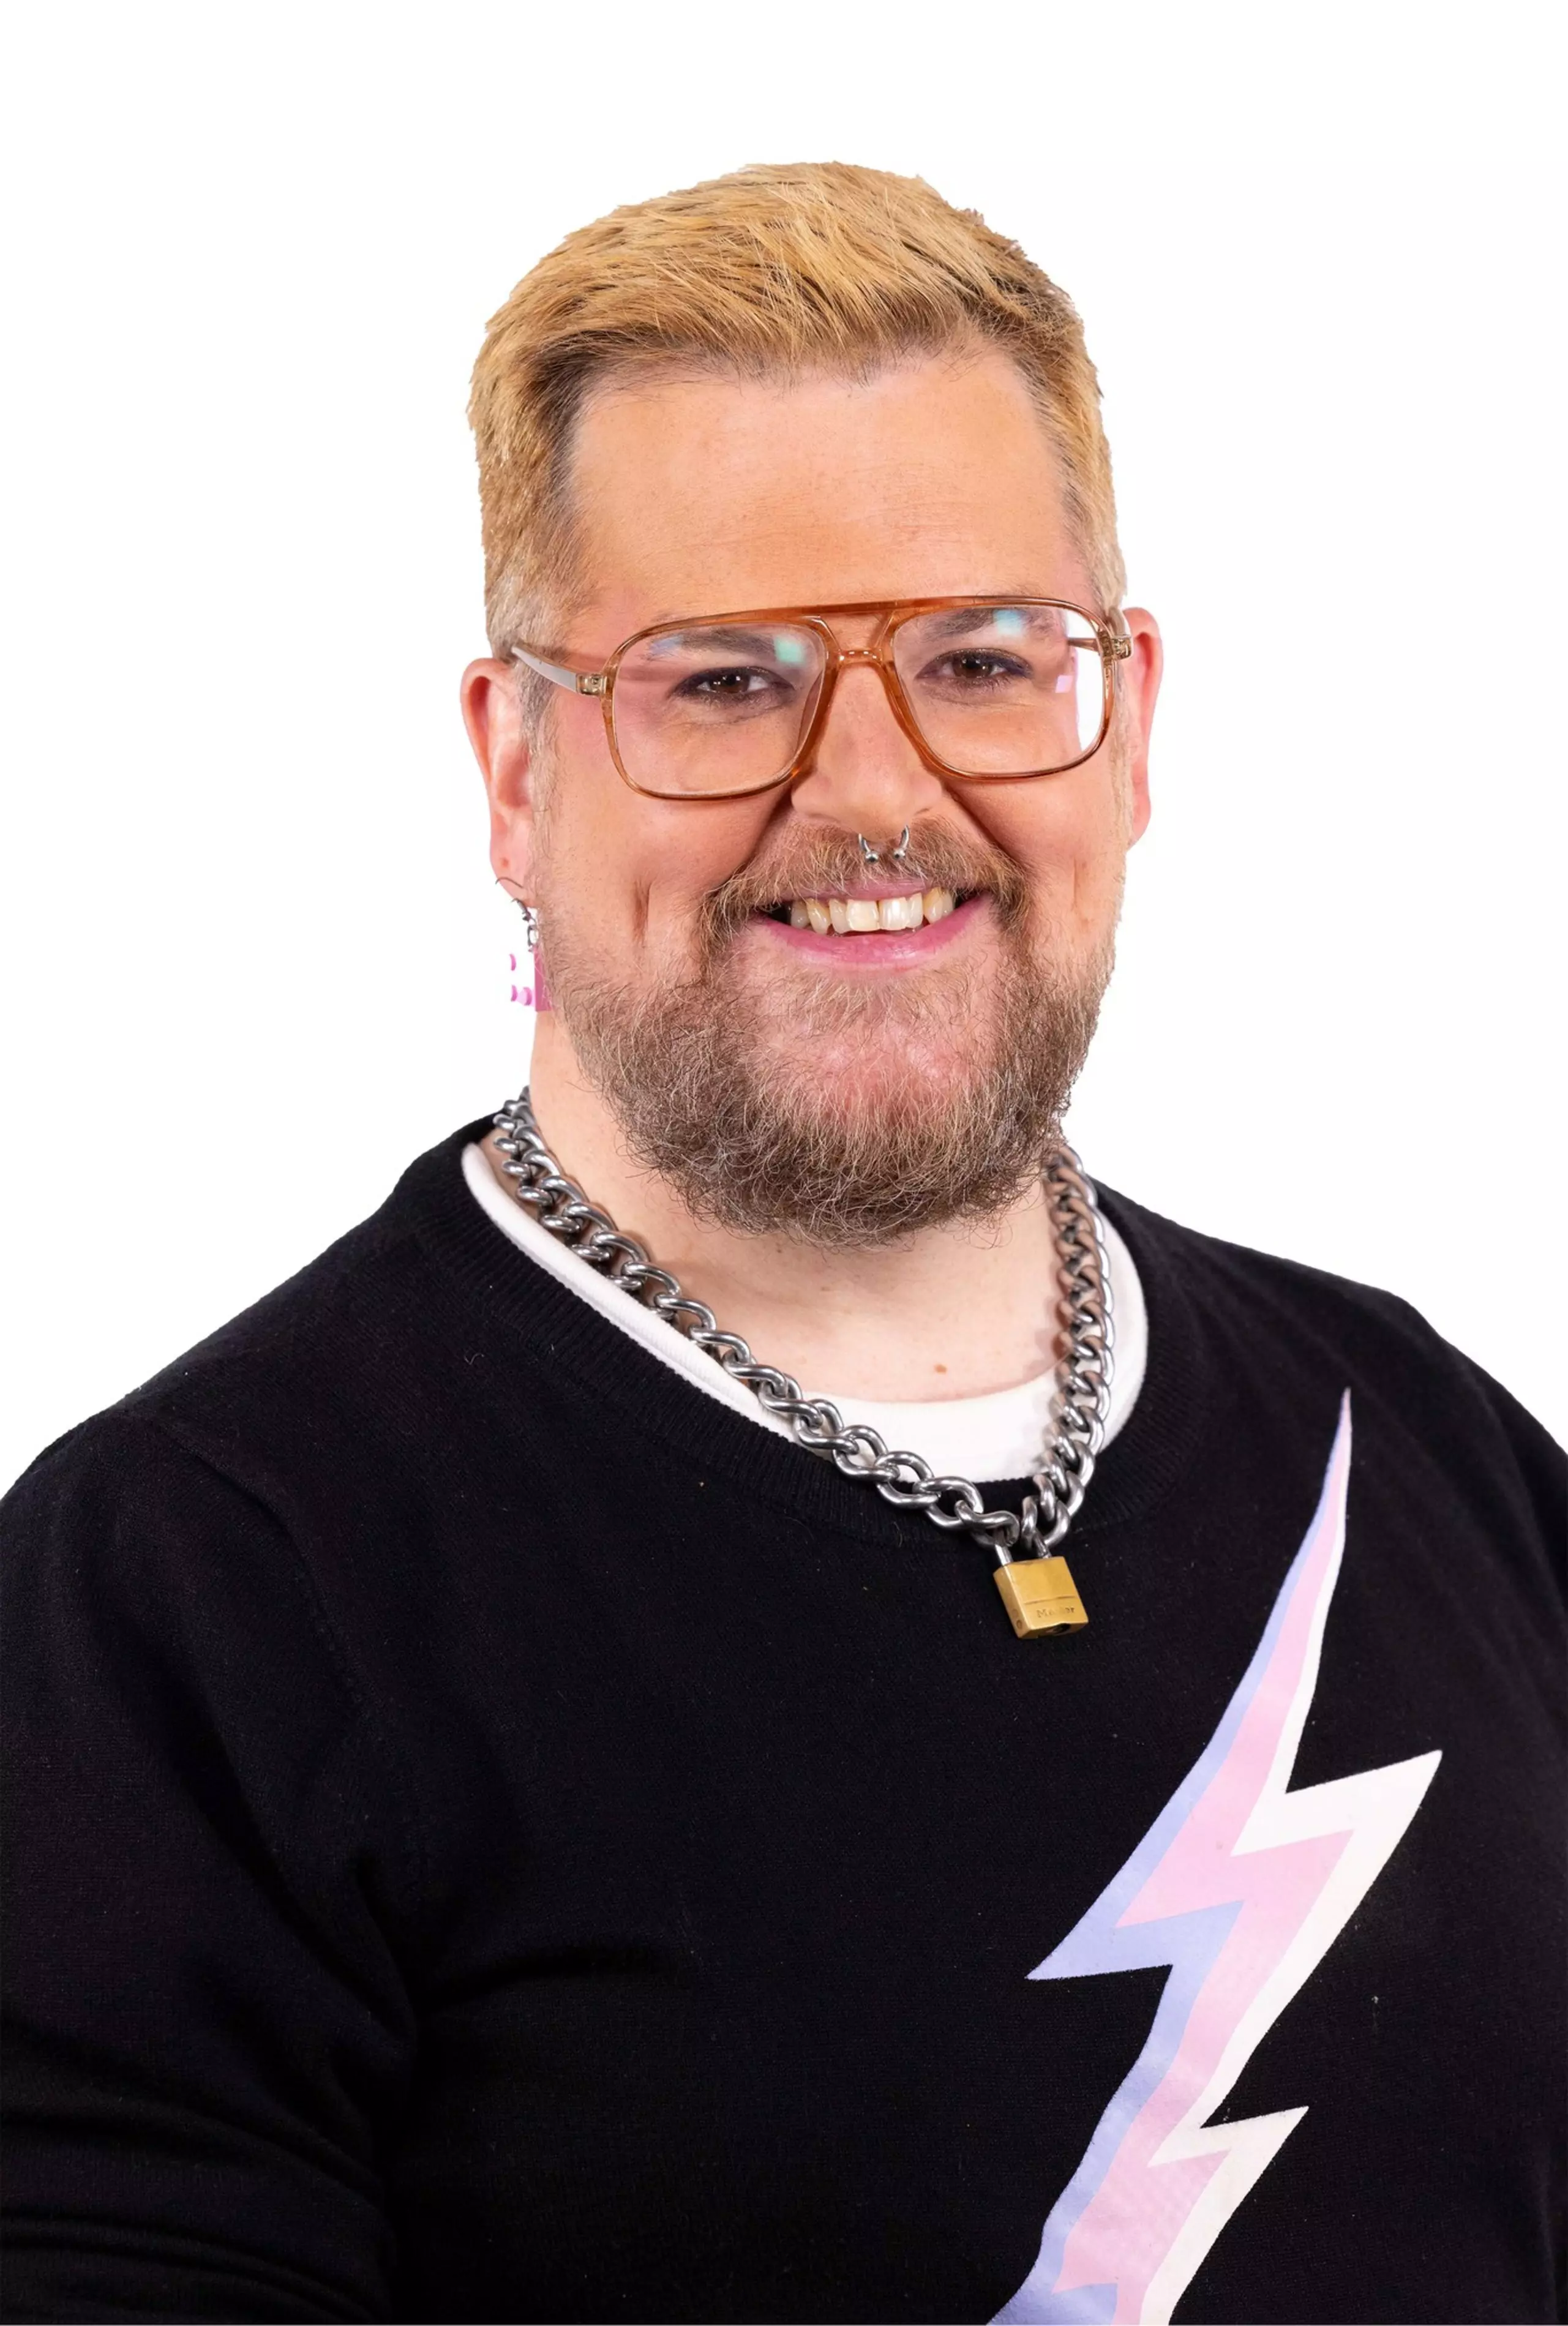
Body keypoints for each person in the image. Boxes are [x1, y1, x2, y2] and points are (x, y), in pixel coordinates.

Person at [2, 162, 1561, 2326]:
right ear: (517, 770)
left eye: (984, 661)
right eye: (726, 681)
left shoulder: (1433, 1451)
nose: (875, 794)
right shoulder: (191, 1602)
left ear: (1128, 725)